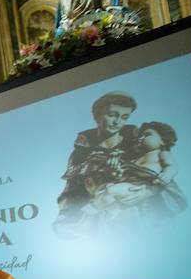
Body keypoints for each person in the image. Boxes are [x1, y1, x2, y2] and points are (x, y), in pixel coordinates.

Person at [54, 91, 137, 233]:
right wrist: (66, 218)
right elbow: (73, 190)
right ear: (97, 115)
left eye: (124, 117)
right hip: (95, 222)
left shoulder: (135, 147)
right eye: (112, 115)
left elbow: (155, 179)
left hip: (133, 218)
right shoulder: (81, 153)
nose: (117, 122)